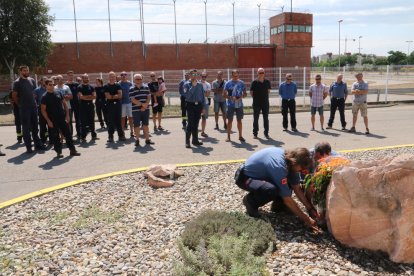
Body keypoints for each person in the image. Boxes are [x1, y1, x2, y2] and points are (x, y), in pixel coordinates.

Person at [235, 147, 320, 232]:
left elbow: (297, 188)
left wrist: (310, 208)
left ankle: (278, 206)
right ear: (294, 162)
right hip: (245, 177)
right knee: (270, 190)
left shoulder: (291, 163)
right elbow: (287, 199)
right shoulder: (279, 166)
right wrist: (306, 219)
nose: (302, 171)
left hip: (262, 176)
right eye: (301, 169)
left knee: (286, 184)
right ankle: (250, 202)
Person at [41, 78, 80, 158]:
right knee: (56, 136)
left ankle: (72, 150)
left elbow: (65, 104)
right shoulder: (44, 97)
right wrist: (48, 121)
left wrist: (67, 115)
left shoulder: (58, 93)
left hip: (62, 118)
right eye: (50, 85)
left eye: (53, 84)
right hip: (53, 120)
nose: (52, 86)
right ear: (46, 86)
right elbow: (43, 110)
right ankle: (59, 152)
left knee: (68, 135)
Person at [11, 65, 45, 153]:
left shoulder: (32, 80)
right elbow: (14, 95)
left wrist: (34, 100)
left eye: (27, 70)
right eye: (24, 71)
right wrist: (19, 105)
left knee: (35, 127)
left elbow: (34, 92)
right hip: (24, 108)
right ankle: (28, 147)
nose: (26, 72)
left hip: (33, 107)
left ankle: (38, 145)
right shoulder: (17, 82)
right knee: (26, 128)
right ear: (20, 72)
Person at [129, 74, 154, 147]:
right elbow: (133, 100)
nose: (138, 80)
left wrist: (146, 104)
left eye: (139, 79)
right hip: (136, 110)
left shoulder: (146, 87)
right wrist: (142, 105)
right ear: (134, 80)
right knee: (136, 125)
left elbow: (149, 97)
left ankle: (147, 140)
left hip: (145, 109)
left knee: (145, 125)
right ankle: (137, 140)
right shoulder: (131, 88)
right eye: (137, 79)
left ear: (142, 79)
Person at [224, 69, 247, 142]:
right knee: (230, 120)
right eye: (234, 76)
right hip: (230, 105)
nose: (235, 77)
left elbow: (245, 93)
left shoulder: (242, 83)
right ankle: (228, 136)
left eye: (236, 75)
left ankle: (240, 136)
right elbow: (223, 94)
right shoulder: (228, 83)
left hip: (239, 104)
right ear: (232, 75)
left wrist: (241, 97)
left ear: (238, 75)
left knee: (239, 120)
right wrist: (230, 97)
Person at [184, 69, 205, 148]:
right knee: (190, 124)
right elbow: (187, 96)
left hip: (198, 106)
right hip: (190, 105)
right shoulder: (186, 84)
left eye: (196, 74)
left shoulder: (200, 84)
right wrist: (193, 86)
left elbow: (202, 96)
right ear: (190, 75)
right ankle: (187, 141)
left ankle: (195, 141)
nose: (195, 76)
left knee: (196, 124)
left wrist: (203, 107)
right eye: (193, 74)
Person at [104, 71, 125, 142]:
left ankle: (121, 136)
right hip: (110, 105)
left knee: (118, 120)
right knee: (111, 121)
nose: (112, 78)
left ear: (115, 77)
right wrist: (115, 96)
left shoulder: (118, 85)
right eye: (111, 76)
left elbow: (120, 95)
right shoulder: (106, 86)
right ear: (108, 77)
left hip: (118, 105)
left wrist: (112, 96)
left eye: (113, 76)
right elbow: (108, 97)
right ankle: (110, 137)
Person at [250, 68, 271, 139]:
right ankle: (255, 133)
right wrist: (257, 98)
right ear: (257, 73)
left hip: (265, 103)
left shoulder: (267, 82)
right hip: (256, 103)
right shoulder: (254, 82)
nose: (261, 74)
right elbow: (251, 93)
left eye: (262, 72)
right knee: (256, 119)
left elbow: (268, 91)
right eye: (260, 73)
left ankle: (266, 133)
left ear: (264, 73)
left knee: (266, 118)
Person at [77, 74, 98, 142]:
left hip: (90, 106)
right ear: (82, 79)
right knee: (83, 122)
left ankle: (93, 136)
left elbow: (94, 96)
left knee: (92, 121)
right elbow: (81, 97)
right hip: (83, 106)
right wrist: (89, 96)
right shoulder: (79, 87)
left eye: (87, 78)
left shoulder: (92, 87)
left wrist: (85, 97)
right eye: (85, 78)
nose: (86, 79)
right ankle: (83, 137)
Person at [65, 70, 81, 139]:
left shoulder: (76, 84)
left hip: (76, 104)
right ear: (67, 76)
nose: (71, 77)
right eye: (69, 75)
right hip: (69, 105)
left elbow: (79, 94)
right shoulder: (65, 85)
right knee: (69, 121)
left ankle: (79, 134)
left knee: (78, 120)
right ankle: (70, 135)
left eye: (72, 75)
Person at [119, 71, 134, 138]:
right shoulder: (118, 84)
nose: (123, 76)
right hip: (122, 104)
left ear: (127, 76)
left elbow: (133, 93)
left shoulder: (130, 83)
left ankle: (132, 131)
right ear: (120, 76)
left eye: (125, 74)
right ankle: (122, 132)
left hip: (129, 103)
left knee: (131, 118)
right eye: (122, 75)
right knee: (123, 118)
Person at [34, 77, 48, 144]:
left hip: (50, 108)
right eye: (44, 81)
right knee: (42, 125)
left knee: (51, 124)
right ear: (41, 81)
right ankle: (43, 139)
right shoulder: (37, 90)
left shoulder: (49, 88)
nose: (45, 82)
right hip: (41, 109)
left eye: (46, 80)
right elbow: (35, 100)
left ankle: (51, 139)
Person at [200, 71, 211, 138]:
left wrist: (201, 92)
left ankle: (202, 132)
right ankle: (194, 131)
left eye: (205, 76)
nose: (203, 78)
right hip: (197, 103)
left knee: (204, 118)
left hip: (205, 103)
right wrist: (204, 92)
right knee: (196, 118)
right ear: (200, 76)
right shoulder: (197, 83)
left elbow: (207, 95)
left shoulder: (208, 84)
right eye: (202, 76)